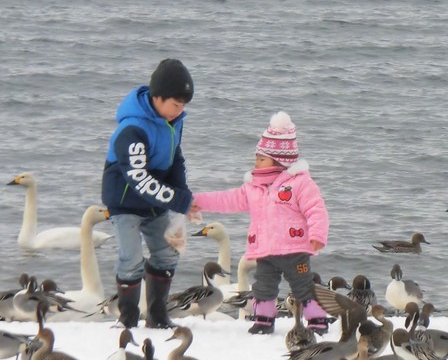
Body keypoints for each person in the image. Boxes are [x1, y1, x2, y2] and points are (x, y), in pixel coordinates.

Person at [189, 111, 330, 335]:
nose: (256, 162)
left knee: (302, 286)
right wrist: (197, 201)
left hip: (295, 250)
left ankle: (317, 319)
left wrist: (317, 236)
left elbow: (316, 209)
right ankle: (264, 319)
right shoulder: (253, 188)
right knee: (263, 286)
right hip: (265, 251)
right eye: (256, 157)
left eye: (261, 158)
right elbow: (228, 199)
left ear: (279, 161)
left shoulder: (300, 183)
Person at [101, 58, 194, 329]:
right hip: (125, 202)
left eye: (184, 105)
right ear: (158, 97)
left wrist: (182, 192)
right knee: (130, 260)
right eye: (176, 104)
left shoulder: (173, 121)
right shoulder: (132, 129)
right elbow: (139, 178)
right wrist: (178, 199)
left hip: (155, 203)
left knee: (166, 255)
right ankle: (127, 318)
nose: (180, 110)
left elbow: (175, 158)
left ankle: (157, 316)